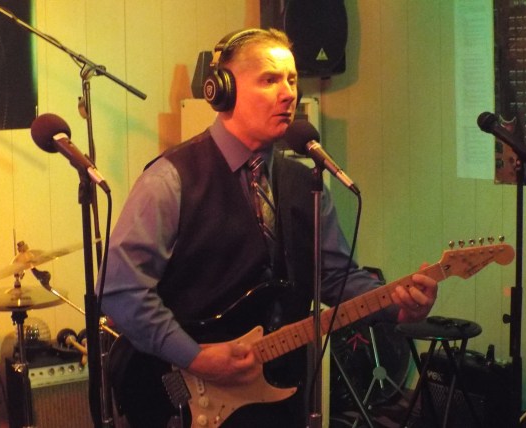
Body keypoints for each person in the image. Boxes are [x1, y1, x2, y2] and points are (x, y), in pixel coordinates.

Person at [100, 28, 438, 427]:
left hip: (279, 395)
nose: (288, 93)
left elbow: (335, 277)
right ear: (222, 90)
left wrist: (397, 305)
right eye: (270, 79)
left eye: (292, 80)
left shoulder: (306, 182)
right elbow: (121, 291)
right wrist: (195, 357)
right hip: (182, 399)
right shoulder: (169, 179)